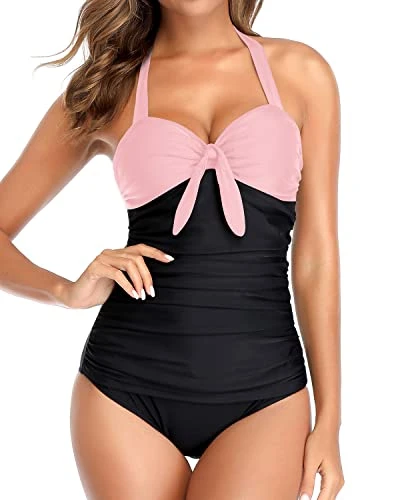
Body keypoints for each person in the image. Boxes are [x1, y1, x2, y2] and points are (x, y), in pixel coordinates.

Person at [0, 0, 344, 498]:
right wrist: (65, 290)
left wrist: (330, 417)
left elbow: (316, 256)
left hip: (266, 393)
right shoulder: (110, 87)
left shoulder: (301, 72)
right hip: (123, 390)